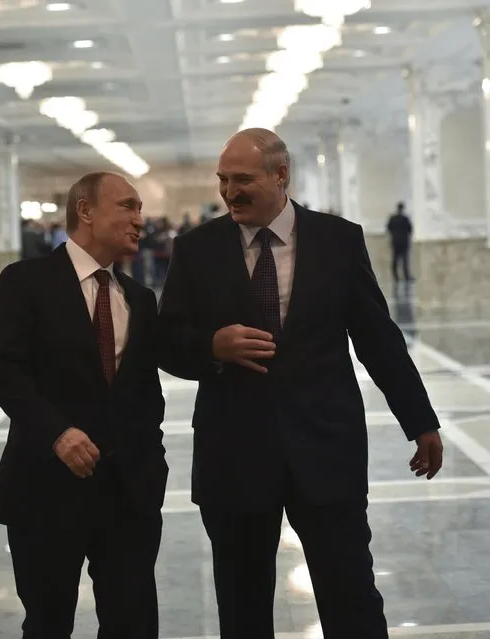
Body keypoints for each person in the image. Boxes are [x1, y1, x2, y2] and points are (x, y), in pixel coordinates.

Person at [157, 128, 443, 639]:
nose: (228, 192)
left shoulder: (338, 240)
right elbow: (166, 342)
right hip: (235, 458)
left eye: (242, 180)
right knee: (242, 609)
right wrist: (212, 348)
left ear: (281, 174)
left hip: (326, 451)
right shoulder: (195, 250)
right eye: (223, 180)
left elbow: (378, 339)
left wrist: (420, 421)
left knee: (351, 598)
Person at [0, 171, 168, 639]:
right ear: (85, 211)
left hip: (127, 497)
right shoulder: (25, 281)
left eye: (140, 208)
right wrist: (57, 433)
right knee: (48, 623)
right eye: (127, 206)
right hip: (46, 491)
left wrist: (152, 468)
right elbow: (5, 371)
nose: (139, 220)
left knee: (134, 623)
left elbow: (146, 393)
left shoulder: (140, 299)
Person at [387, 202, 413, 283]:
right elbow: (410, 229)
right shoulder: (405, 219)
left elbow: (389, 228)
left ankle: (395, 276)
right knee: (405, 260)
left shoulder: (393, 218)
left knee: (395, 259)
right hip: (404, 242)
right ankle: (406, 276)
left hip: (395, 241)